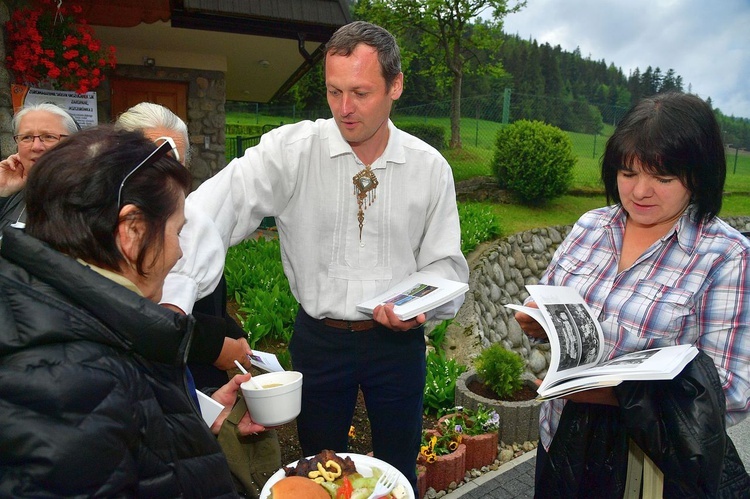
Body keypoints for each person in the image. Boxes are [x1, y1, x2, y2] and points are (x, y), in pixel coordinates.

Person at [160, 21, 469, 492]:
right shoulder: (291, 151)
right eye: (334, 91)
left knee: (400, 467)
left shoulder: (430, 168)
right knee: (316, 470)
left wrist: (420, 307)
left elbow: (445, 264)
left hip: (398, 346)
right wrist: (173, 290)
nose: (345, 109)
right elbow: (215, 209)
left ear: (396, 86)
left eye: (361, 93)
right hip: (319, 340)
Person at [0, 126, 266, 497]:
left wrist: (194, 413)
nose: (179, 252)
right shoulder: (68, 390)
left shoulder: (80, 324)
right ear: (132, 231)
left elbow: (126, 437)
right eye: (176, 231)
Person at [514, 92, 750, 495]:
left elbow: (732, 389)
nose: (640, 191)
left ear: (700, 174)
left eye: (663, 178)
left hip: (649, 465)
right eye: (627, 173)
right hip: (560, 437)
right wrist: (540, 323)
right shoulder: (592, 226)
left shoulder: (725, 256)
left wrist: (615, 394)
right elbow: (553, 301)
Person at [114, 102, 252, 388]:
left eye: (175, 163)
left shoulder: (192, 221)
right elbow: (161, 326)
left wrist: (233, 331)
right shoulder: (105, 229)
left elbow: (207, 303)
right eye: (152, 162)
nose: (166, 176)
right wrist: (216, 347)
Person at [0, 102, 79, 231]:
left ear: (73, 144)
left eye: (49, 137)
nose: (36, 146)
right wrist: (2, 191)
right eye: (27, 137)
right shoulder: (14, 191)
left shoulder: (90, 195)